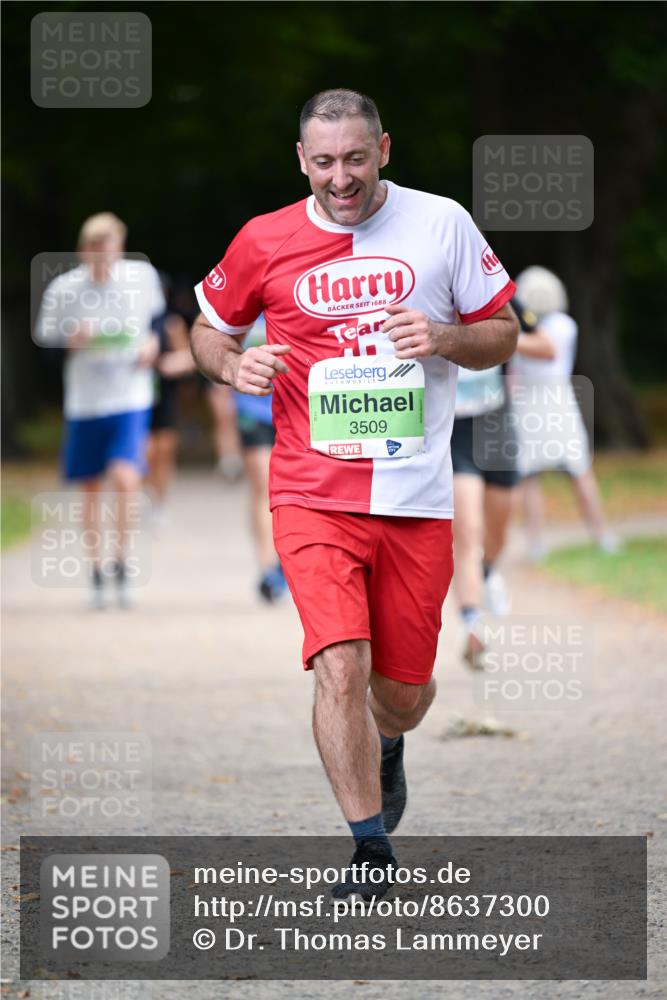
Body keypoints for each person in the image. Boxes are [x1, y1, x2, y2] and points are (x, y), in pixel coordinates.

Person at [191, 89, 519, 898]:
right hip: (310, 491)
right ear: (301, 160)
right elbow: (207, 327)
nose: (341, 176)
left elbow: (503, 330)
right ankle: (369, 850)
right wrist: (232, 365)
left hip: (415, 498)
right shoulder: (263, 239)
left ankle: (389, 737)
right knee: (338, 660)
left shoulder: (440, 221)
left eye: (356, 157)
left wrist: (444, 336)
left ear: (383, 149)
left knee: (402, 695)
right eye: (324, 161)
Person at [35, 212, 164, 608]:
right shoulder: (63, 289)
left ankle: (122, 562)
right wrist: (70, 344)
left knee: (125, 478)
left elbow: (157, 321)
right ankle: (96, 569)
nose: (105, 263)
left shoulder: (141, 278)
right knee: (90, 488)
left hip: (130, 396)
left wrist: (152, 344)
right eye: (97, 254)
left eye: (111, 253)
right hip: (85, 401)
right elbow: (46, 342)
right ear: (83, 252)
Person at [451, 298, 556, 669]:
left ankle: (488, 571)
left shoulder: (495, 291)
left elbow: (546, 347)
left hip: (495, 425)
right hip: (452, 431)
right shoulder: (420, 284)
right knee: (467, 530)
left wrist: (493, 339)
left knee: (497, 534)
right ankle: (472, 625)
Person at [509, 267, 618, 560]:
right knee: (528, 474)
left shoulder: (562, 326)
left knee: (578, 469)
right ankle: (536, 543)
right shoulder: (522, 325)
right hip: (526, 402)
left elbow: (545, 351)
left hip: (556, 401)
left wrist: (504, 337)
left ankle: (601, 534)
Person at [233, 313, 288, 603]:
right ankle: (268, 568)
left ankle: (287, 560)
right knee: (264, 485)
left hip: (295, 411)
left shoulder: (298, 298)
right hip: (252, 409)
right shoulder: (242, 308)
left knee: (290, 490)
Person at [146, 274, 197, 529]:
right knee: (145, 451)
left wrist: (168, 365)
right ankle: (144, 497)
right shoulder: (127, 321)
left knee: (163, 451)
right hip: (137, 395)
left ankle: (159, 503)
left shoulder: (171, 323)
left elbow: (188, 358)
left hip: (164, 393)